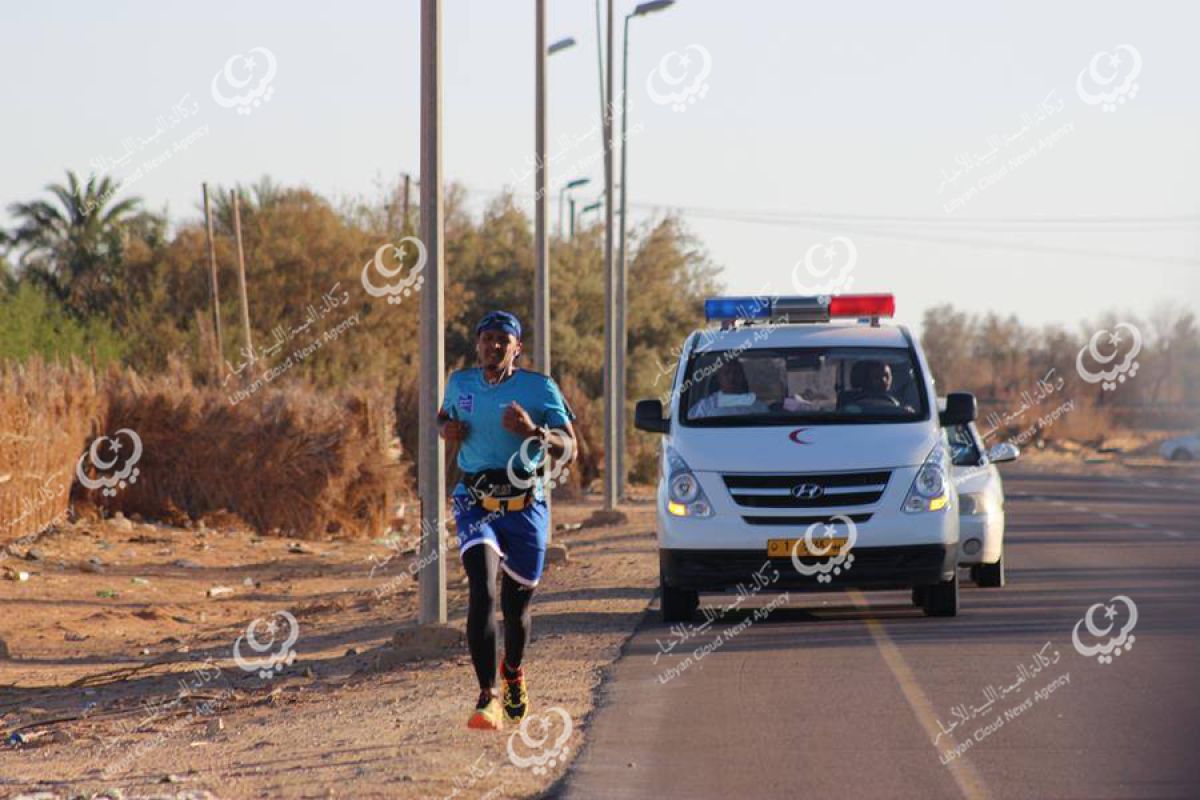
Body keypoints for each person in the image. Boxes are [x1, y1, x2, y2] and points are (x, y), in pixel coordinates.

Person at [437, 310, 578, 731]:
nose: (494, 346)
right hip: (475, 501)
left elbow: (570, 446)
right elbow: (442, 416)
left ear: (518, 348)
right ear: (478, 344)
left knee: (516, 610)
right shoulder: (460, 382)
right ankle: (487, 697)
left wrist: (534, 430)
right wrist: (446, 429)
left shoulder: (539, 387)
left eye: (504, 340)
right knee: (481, 591)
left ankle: (512, 672)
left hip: (525, 507)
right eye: (488, 338)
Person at [687, 359, 769, 418]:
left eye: (736, 373)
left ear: (743, 377)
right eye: (726, 373)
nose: (732, 377)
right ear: (719, 378)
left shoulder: (758, 407)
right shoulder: (705, 407)